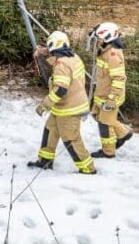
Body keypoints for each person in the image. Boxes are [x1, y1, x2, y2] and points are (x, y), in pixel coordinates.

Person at [27, 30, 96, 175]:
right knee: (50, 130)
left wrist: (44, 105)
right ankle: (45, 161)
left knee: (70, 138)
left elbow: (60, 90)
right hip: (65, 106)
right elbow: (56, 56)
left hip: (69, 109)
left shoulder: (62, 64)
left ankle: (88, 168)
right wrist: (43, 52)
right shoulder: (72, 56)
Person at [88, 22, 133, 159]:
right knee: (96, 116)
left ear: (108, 38)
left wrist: (112, 100)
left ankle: (108, 151)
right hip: (102, 93)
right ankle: (124, 133)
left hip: (110, 96)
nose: (97, 41)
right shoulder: (105, 49)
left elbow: (119, 79)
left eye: (99, 38)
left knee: (104, 123)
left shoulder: (113, 55)